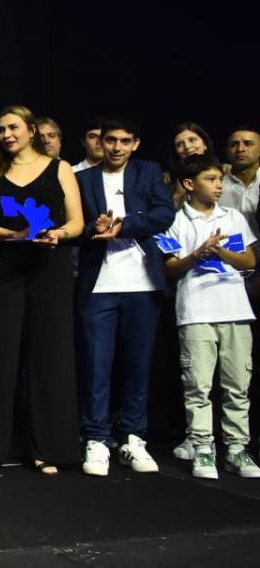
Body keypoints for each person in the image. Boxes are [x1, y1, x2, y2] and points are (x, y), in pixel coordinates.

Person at [0, 105, 83, 475]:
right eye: (1, 129)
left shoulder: (60, 168)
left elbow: (77, 222)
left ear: (31, 130)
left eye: (13, 127)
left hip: (49, 268)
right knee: (0, 356)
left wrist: (58, 233)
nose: (6, 135)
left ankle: (47, 449)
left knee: (49, 356)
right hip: (2, 269)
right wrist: (10, 235)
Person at [74, 118, 174, 476]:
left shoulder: (148, 172)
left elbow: (165, 213)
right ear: (100, 142)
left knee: (137, 366)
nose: (117, 147)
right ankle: (96, 438)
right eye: (111, 140)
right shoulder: (83, 178)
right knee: (95, 366)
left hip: (142, 284)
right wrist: (95, 228)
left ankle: (133, 437)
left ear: (135, 143)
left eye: (124, 141)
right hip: (99, 285)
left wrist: (124, 226)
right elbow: (73, 225)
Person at [163, 153, 259, 479]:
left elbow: (249, 261)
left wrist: (220, 252)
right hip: (196, 312)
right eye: (211, 179)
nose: (219, 185)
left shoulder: (232, 217)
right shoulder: (175, 221)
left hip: (235, 310)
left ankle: (236, 448)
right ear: (189, 184)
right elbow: (171, 269)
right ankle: (203, 446)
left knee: (237, 385)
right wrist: (197, 254)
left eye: (219, 179)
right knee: (198, 386)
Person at [167, 122, 216, 206]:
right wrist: (177, 195)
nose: (187, 146)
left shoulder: (227, 171)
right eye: (179, 144)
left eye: (192, 140)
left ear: (205, 144)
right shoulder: (166, 179)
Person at [222, 126, 259, 222]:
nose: (240, 149)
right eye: (233, 145)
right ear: (226, 151)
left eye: (248, 144)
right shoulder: (216, 186)